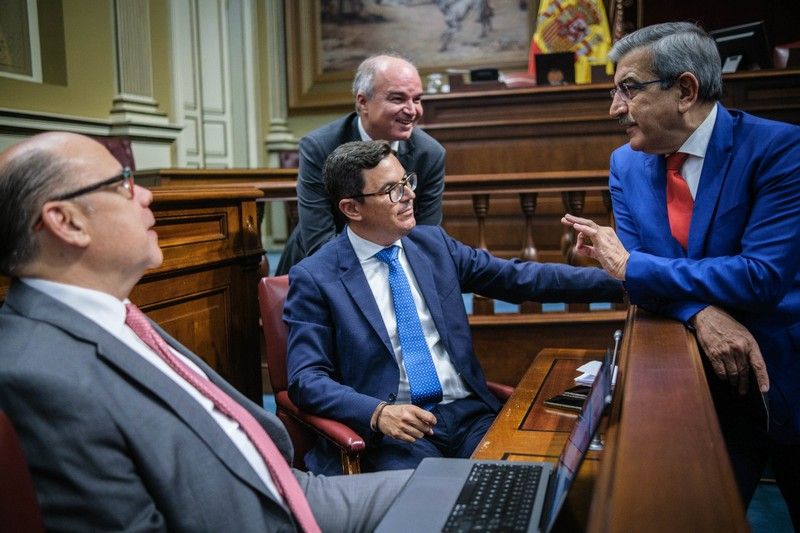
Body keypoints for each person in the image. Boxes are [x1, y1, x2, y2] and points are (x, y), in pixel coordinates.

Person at [0, 132, 412, 533]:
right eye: (123, 185)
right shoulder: (37, 374)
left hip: (288, 491)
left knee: (461, 489)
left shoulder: (116, 315)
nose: (146, 195)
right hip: (251, 518)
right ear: (65, 221)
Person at [560, 22, 800, 525]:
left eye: (628, 89)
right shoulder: (626, 164)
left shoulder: (780, 149)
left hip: (784, 369)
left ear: (685, 90)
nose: (614, 108)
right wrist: (700, 311)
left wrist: (631, 265)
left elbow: (760, 275)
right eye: (614, 91)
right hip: (692, 379)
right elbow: (639, 277)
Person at [285, 140, 624, 475]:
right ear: (352, 209)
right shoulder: (316, 277)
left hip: (468, 416)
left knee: (531, 481)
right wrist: (377, 413)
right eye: (392, 190)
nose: (409, 195)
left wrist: (626, 279)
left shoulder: (433, 245)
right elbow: (306, 380)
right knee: (425, 507)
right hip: (398, 432)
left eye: (407, 181)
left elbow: (521, 278)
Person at [275, 53, 445, 275]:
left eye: (417, 99)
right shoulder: (319, 147)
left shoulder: (430, 154)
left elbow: (425, 238)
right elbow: (319, 240)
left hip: (394, 266)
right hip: (323, 269)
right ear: (362, 102)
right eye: (397, 99)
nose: (412, 110)